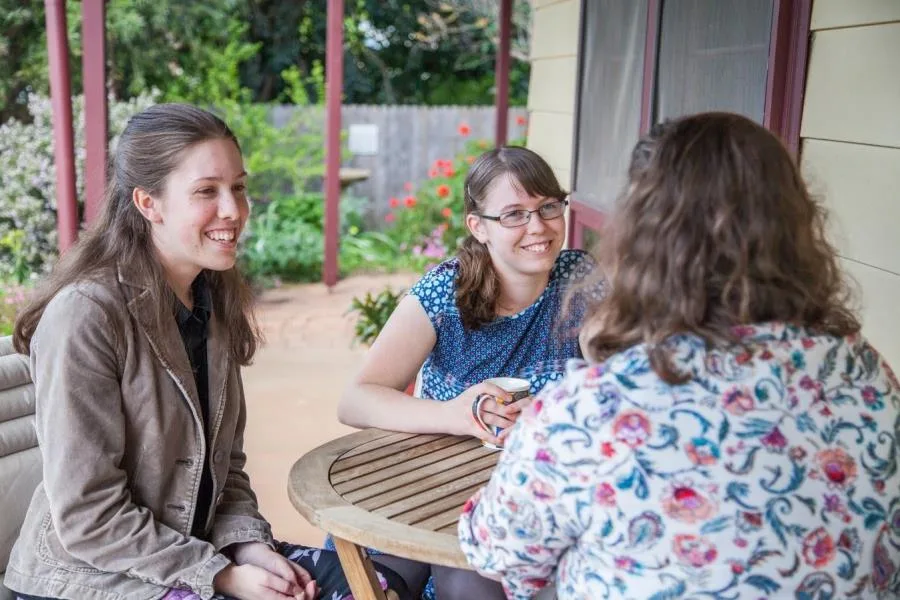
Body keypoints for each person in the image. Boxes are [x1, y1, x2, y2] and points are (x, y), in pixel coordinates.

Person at [458, 112, 900, 599]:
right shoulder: (869, 377)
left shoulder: (593, 407)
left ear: (645, 240)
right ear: (794, 228)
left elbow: (494, 551)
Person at [5, 103, 410, 600]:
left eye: (238, 187)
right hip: (90, 579)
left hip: (194, 552)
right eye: (206, 191)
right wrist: (219, 576)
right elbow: (89, 518)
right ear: (147, 203)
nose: (233, 210)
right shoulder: (86, 315)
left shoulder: (209, 298)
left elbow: (226, 470)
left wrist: (250, 548)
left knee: (377, 589)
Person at [339, 146, 597, 600]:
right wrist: (460, 415)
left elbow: (615, 368)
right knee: (382, 567)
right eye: (514, 214)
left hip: (531, 494)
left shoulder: (580, 279)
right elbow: (356, 400)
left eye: (548, 207)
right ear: (478, 227)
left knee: (470, 577)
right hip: (436, 484)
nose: (538, 227)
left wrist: (553, 410)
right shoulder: (446, 290)